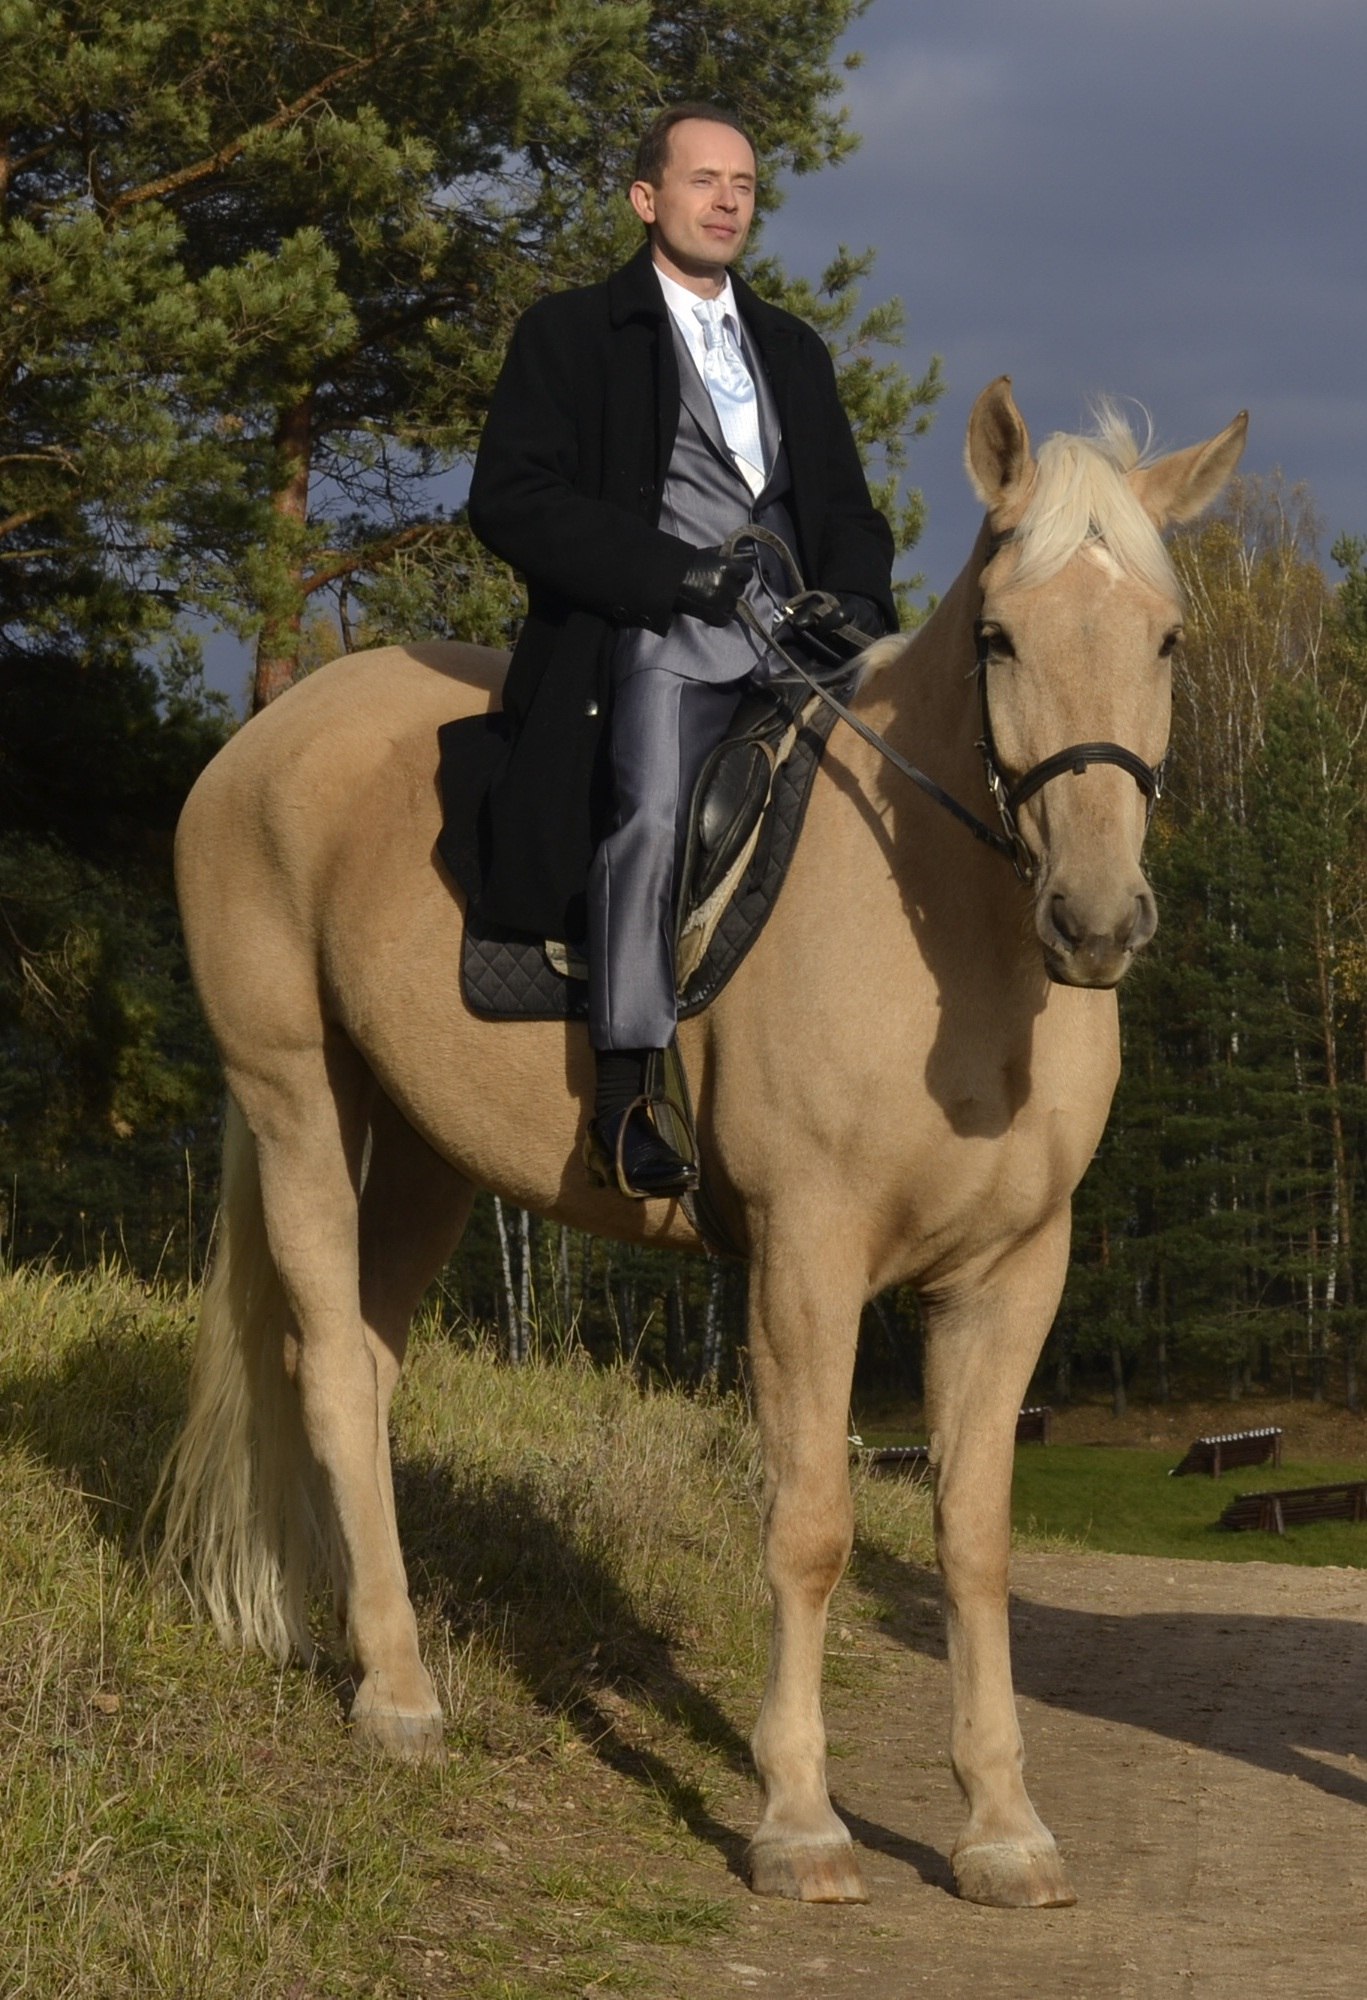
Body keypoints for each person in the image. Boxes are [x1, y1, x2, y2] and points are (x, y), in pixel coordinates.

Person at [465, 102, 895, 1197]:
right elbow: (511, 499)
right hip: (661, 637)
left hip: (799, 644)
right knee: (651, 813)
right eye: (703, 181)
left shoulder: (792, 347)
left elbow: (848, 512)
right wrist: (668, 576)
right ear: (644, 198)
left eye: (742, 185)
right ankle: (626, 1094)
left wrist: (852, 599)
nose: (725, 201)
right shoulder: (570, 333)